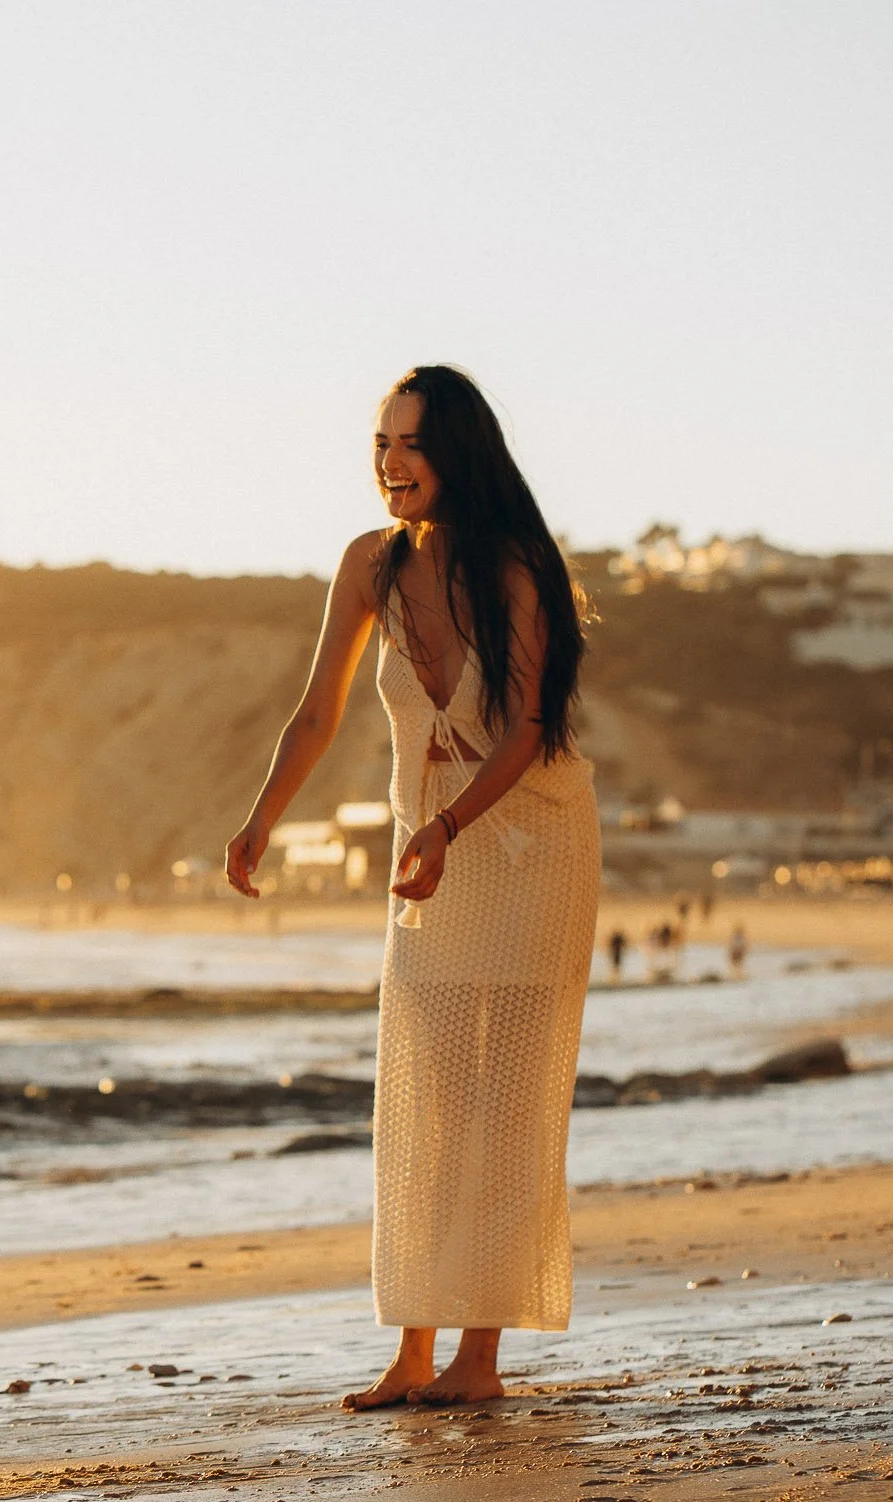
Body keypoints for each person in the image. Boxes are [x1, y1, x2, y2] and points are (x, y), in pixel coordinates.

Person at [226, 365, 598, 1408]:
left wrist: (443, 824)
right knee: (422, 1090)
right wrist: (260, 817)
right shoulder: (368, 565)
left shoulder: (517, 567)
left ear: (458, 453)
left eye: (411, 444)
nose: (390, 463)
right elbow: (316, 713)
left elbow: (527, 728)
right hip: (425, 853)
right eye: (380, 443)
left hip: (528, 843)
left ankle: (479, 1357)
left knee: (505, 1098)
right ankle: (411, 1349)